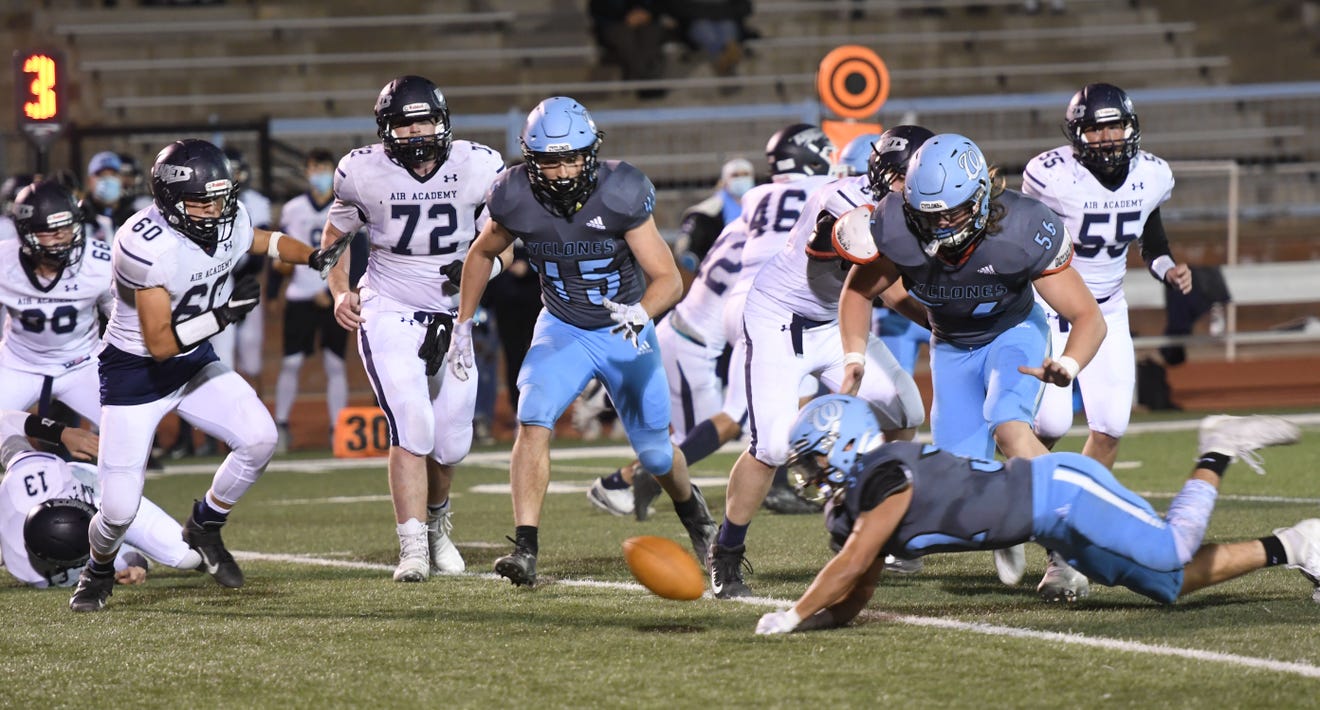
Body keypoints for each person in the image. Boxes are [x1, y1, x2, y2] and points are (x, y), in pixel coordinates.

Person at [754, 395, 1309, 634]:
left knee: (1171, 550)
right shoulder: (859, 500)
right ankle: (1298, 544)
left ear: (847, 442)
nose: (810, 474)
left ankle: (1218, 445)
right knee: (1167, 584)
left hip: (1064, 490)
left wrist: (795, 612)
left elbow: (853, 564)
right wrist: (818, 619)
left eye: (817, 459)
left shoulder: (882, 475)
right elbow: (860, 589)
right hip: (1052, 519)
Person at [69, 138, 346, 612]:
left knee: (259, 438)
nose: (216, 209)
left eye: (220, 197)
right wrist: (222, 316)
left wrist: (310, 257)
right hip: (137, 373)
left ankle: (205, 524)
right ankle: (97, 569)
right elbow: (158, 343)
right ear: (170, 202)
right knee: (117, 511)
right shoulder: (142, 245)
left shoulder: (222, 217)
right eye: (202, 201)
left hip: (193, 361)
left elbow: (263, 239)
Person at [453, 96, 718, 587]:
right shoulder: (512, 195)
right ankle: (525, 547)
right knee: (532, 418)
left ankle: (697, 516)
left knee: (658, 455)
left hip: (624, 328)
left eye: (572, 157)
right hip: (563, 326)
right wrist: (464, 323)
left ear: (590, 152)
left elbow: (668, 279)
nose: (562, 171)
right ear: (531, 161)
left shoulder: (621, 191)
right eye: (550, 160)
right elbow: (481, 252)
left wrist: (640, 314)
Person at [835, 133, 1107, 602]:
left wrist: (1069, 361)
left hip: (1013, 334)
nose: (940, 224)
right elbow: (857, 292)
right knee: (959, 477)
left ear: (981, 194)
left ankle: (1069, 549)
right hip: (951, 346)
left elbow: (1089, 317)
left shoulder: (1022, 229)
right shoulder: (897, 226)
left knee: (1009, 427)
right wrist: (855, 355)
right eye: (929, 214)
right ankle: (1006, 521)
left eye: (952, 211)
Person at [706, 124, 928, 599]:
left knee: (905, 411)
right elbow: (850, 261)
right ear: (889, 174)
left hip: (836, 322)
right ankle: (725, 550)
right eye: (913, 175)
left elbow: (886, 289)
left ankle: (865, 519)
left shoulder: (909, 210)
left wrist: (938, 321)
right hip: (780, 320)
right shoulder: (842, 201)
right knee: (769, 448)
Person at [586, 124, 837, 520]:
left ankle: (623, 482)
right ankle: (622, 483)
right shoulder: (786, 227)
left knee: (730, 421)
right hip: (696, 340)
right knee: (720, 426)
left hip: (701, 332)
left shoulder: (747, 221)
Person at [324, 75, 507, 583]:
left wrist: (485, 267)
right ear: (387, 130)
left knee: (451, 444)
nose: (417, 133)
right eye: (405, 125)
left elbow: (506, 240)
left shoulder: (481, 165)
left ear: (444, 121)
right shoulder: (362, 172)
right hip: (390, 304)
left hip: (459, 313)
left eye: (425, 120)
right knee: (412, 422)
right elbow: (334, 238)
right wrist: (340, 290)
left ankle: (435, 523)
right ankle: (411, 549)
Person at [1025, 83, 1193, 473]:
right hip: (1049, 310)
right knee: (1049, 424)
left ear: (1130, 127)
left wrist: (1169, 269)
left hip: (1107, 312)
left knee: (1111, 426)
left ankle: (1084, 504)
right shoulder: (1052, 176)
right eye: (1096, 129)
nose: (1107, 138)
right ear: (1077, 135)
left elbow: (1153, 242)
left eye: (1115, 126)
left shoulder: (1152, 175)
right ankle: (1012, 493)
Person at [0, 409, 202, 590]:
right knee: (187, 558)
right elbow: (129, 559)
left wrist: (62, 433)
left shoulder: (29, 474)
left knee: (189, 552)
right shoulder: (31, 570)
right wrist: (136, 566)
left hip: (89, 487)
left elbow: (3, 421)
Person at [0, 181, 113, 426]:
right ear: (25, 232)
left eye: (67, 226)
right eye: (51, 230)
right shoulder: (4, 261)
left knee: (124, 432)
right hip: (19, 363)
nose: (62, 235)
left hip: (83, 364)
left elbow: (125, 322)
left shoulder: (100, 262)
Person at [272, 148, 349, 453]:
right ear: (305, 172)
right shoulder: (293, 209)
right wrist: (275, 286)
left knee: (335, 364)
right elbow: (279, 250)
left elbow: (358, 252)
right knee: (290, 363)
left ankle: (338, 429)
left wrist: (339, 289)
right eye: (313, 167)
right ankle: (280, 425)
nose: (318, 173)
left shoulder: (345, 207)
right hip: (300, 296)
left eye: (323, 167)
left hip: (334, 297)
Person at [673, 157, 755, 273]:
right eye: (735, 175)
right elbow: (686, 249)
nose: (741, 179)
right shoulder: (705, 213)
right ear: (725, 180)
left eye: (745, 174)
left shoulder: (764, 207)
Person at [589, 0, 669, 99]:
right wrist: (626, 17)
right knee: (625, 37)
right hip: (615, 24)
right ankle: (647, 80)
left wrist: (646, 13)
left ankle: (638, 76)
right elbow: (599, 8)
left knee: (649, 35)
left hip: (647, 21)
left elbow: (662, 5)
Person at [82, 151, 132, 243]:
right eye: (101, 175)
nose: (108, 180)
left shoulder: (132, 215)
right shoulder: (81, 216)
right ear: (89, 181)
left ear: (121, 180)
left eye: (113, 175)